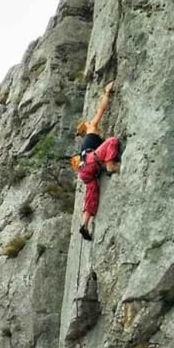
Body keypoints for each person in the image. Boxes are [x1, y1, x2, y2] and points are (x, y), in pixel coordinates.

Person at [71, 81, 122, 240]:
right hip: (92, 161)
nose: (89, 121)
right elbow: (101, 110)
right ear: (85, 128)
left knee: (91, 196)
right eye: (86, 123)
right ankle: (110, 165)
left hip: (85, 170)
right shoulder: (91, 128)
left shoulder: (85, 142)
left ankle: (85, 225)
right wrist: (106, 93)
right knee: (113, 141)